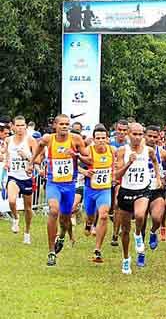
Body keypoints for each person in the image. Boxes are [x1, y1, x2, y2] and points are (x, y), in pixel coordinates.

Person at [30, 114, 87, 266]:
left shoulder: (75, 140)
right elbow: (40, 146)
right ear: (55, 125)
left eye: (67, 124)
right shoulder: (49, 139)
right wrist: (31, 162)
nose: (64, 126)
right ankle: (51, 252)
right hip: (53, 183)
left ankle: (61, 236)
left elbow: (88, 158)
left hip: (69, 185)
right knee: (54, 211)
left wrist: (76, 155)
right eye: (61, 124)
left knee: (65, 218)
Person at [115, 123, 162, 274]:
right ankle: (126, 258)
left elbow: (155, 161)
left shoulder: (148, 150)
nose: (137, 137)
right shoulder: (123, 151)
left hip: (142, 189)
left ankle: (138, 235)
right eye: (134, 134)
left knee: (141, 215)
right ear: (128, 134)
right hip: (126, 191)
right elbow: (117, 175)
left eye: (140, 134)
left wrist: (158, 178)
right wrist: (129, 163)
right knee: (124, 230)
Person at [79, 125, 114, 262]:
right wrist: (85, 172)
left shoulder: (112, 151)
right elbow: (75, 164)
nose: (100, 141)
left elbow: (115, 165)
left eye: (103, 138)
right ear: (93, 139)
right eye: (98, 138)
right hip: (90, 190)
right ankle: (88, 224)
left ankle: (97, 250)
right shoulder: (88, 151)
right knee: (90, 216)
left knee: (104, 215)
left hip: (105, 190)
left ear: (107, 139)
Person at [4, 116, 38, 243]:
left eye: (22, 125)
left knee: (28, 209)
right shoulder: (8, 140)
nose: (20, 128)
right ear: (13, 126)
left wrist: (27, 157)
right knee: (12, 200)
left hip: (27, 178)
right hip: (14, 176)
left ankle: (27, 233)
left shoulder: (31, 140)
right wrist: (7, 161)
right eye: (17, 125)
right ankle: (15, 218)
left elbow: (37, 159)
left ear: (25, 126)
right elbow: (7, 153)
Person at [143, 125, 166, 250]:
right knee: (141, 219)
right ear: (145, 136)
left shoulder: (163, 153)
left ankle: (153, 232)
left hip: (157, 189)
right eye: (150, 136)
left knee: (157, 217)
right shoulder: (138, 151)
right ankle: (141, 245)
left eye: (155, 136)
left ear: (159, 137)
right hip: (141, 189)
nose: (152, 139)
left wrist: (165, 178)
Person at [110, 119, 128, 246]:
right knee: (110, 207)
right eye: (119, 130)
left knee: (118, 204)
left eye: (124, 130)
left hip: (123, 178)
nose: (121, 132)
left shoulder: (130, 145)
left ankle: (115, 235)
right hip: (109, 176)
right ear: (116, 129)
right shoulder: (109, 142)